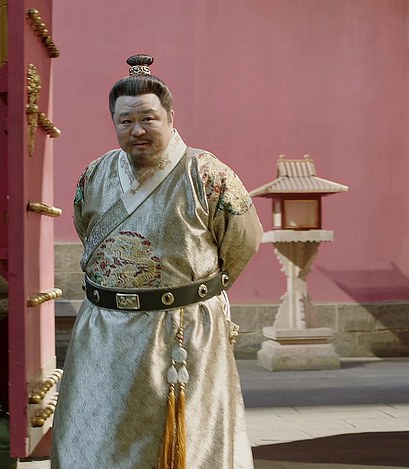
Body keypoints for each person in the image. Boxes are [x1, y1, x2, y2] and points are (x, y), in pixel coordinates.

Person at [51, 54, 262, 469]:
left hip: (179, 329)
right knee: (94, 435)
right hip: (104, 329)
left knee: (187, 441)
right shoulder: (95, 173)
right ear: (114, 123)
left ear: (170, 117)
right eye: (125, 121)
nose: (137, 130)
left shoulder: (206, 173)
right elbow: (86, 229)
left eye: (148, 118)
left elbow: (243, 241)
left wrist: (196, 293)